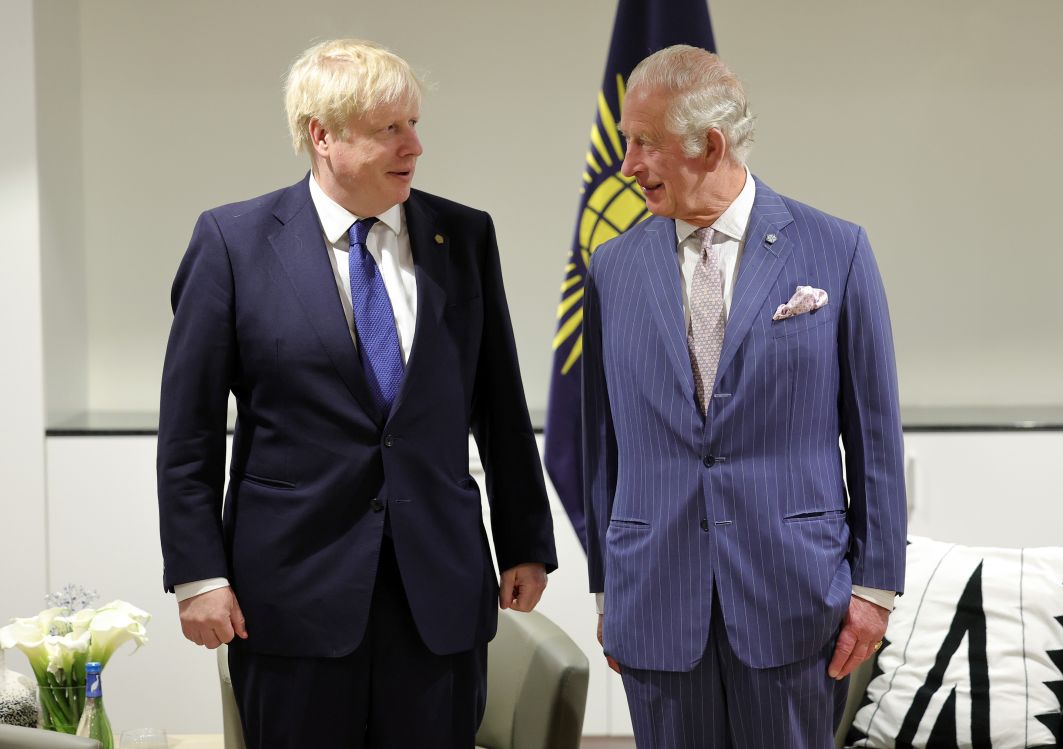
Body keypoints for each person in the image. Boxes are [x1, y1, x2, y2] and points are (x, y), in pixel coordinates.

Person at [156, 39, 557, 748]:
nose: (416, 146)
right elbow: (187, 432)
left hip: (438, 594)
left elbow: (498, 398)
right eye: (390, 129)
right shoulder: (233, 242)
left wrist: (524, 538)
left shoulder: (462, 235)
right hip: (292, 598)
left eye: (414, 124)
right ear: (321, 135)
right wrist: (197, 574)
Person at [582, 45, 907, 748]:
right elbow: (600, 441)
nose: (627, 165)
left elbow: (875, 434)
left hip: (795, 599)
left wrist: (875, 588)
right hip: (657, 600)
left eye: (644, 144)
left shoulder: (835, 249)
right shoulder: (611, 266)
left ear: (711, 145)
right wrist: (610, 587)